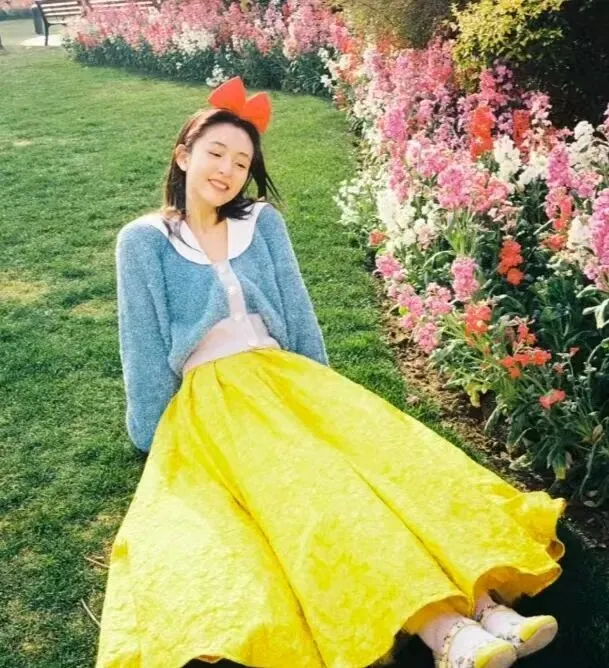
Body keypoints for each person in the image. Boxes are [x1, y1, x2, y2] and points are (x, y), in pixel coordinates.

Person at [95, 76, 566, 668]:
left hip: (290, 380)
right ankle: (445, 632)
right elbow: (140, 341)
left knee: (396, 473)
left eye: (241, 162)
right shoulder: (144, 241)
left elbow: (297, 311)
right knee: (323, 500)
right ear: (184, 155)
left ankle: (487, 605)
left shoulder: (262, 223)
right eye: (216, 153)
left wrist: (326, 396)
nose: (228, 170)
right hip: (217, 399)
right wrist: (153, 431)